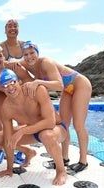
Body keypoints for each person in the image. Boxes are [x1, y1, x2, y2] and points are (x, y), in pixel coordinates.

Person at [19, 41, 92, 173]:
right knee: (64, 124)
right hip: (68, 90)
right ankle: (64, 158)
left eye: (32, 53)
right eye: (26, 54)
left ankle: (83, 161)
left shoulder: (46, 62)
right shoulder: (25, 63)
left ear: (37, 52)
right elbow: (10, 62)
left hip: (79, 84)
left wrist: (37, 82)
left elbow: (59, 85)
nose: (29, 57)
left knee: (79, 125)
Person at [0, 69, 67, 186]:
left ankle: (61, 170)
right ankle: (28, 152)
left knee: (46, 135)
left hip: (57, 128)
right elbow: (8, 140)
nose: (10, 88)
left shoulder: (36, 90)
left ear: (19, 81)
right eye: (5, 85)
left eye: (12, 82)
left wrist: (23, 131)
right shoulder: (6, 108)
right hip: (34, 131)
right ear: (2, 89)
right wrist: (9, 168)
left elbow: (50, 122)